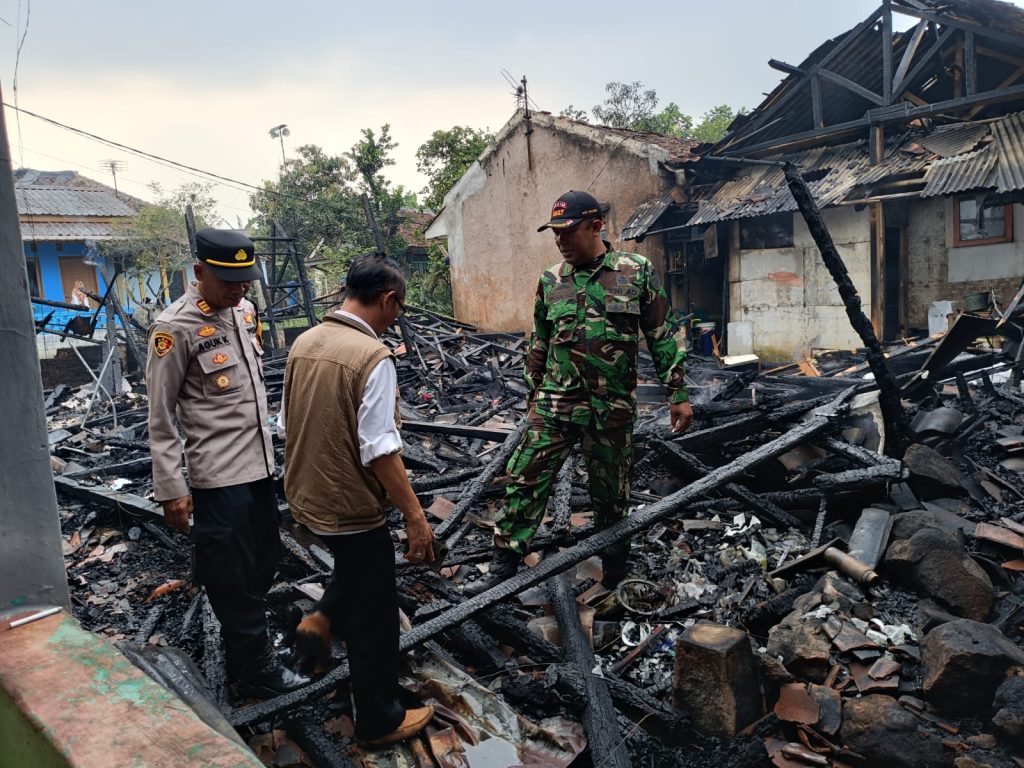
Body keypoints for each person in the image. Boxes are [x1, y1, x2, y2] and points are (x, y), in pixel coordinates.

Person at [464, 190, 693, 596]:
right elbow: (539, 343)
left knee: (612, 495)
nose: (561, 241)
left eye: (568, 232)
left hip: (612, 409)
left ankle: (616, 568)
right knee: (524, 479)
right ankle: (503, 564)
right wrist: (533, 394)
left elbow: (661, 334)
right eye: (555, 234)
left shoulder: (635, 271)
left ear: (596, 226)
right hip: (554, 404)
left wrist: (678, 392)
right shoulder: (551, 279)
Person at [146, 227, 309, 698]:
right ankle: (257, 670)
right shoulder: (173, 329)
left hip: (259, 468)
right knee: (230, 576)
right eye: (228, 281)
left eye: (244, 281)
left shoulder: (243, 312)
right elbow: (160, 415)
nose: (239, 290)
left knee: (263, 564)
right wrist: (171, 487)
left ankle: (247, 655)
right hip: (217, 478)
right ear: (199, 273)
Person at [283, 253, 436, 747]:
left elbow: (287, 424)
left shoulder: (305, 341)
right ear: (389, 299)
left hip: (306, 495)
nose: (397, 318)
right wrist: (415, 517)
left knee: (357, 567)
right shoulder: (374, 358)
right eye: (399, 308)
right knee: (375, 611)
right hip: (349, 504)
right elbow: (380, 450)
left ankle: (320, 619)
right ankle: (378, 718)